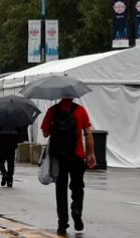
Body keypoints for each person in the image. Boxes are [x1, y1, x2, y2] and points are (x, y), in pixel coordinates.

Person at [41, 97, 95, 236]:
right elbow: (88, 133)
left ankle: (62, 224)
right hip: (77, 154)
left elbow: (45, 133)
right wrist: (90, 154)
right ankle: (76, 209)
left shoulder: (52, 111)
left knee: (61, 189)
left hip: (59, 156)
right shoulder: (80, 110)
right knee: (77, 186)